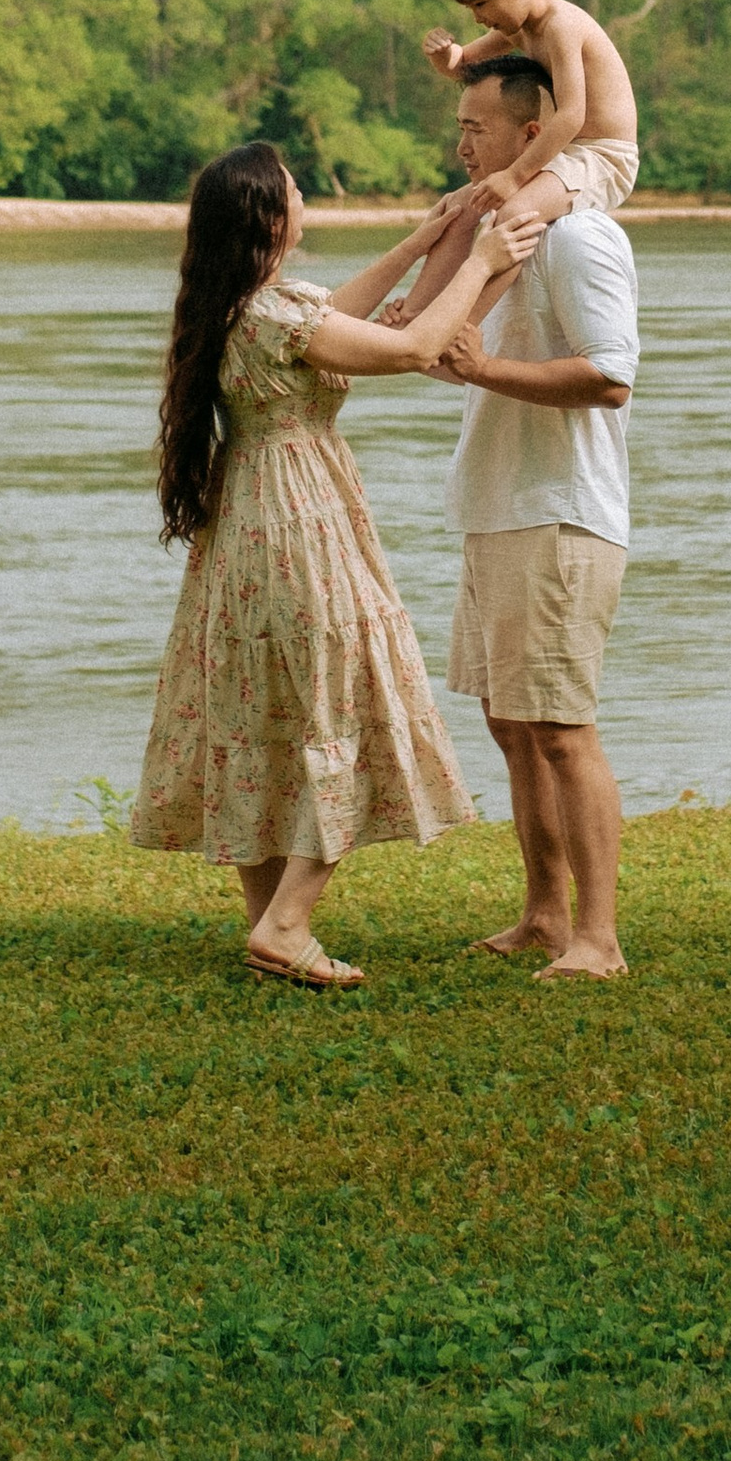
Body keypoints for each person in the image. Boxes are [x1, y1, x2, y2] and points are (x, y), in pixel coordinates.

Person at [130, 141, 535, 992]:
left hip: (247, 522)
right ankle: (287, 922)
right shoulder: (276, 315)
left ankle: (269, 925)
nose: (304, 195)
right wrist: (483, 259)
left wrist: (422, 241)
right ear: (271, 216)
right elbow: (413, 347)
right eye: (294, 188)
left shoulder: (240, 305)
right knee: (347, 695)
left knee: (263, 706)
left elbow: (337, 316)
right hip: (300, 522)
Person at [431, 56, 640, 983]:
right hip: (496, 508)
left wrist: (482, 370)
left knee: (560, 728)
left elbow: (609, 376)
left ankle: (600, 939)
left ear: (533, 137)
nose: (461, 145)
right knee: (511, 724)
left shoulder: (580, 237)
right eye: (459, 128)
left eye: (476, 129)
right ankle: (546, 914)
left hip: (559, 514)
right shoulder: (507, 236)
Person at [391, 0, 640, 330]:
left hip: (602, 157)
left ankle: (459, 330)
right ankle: (413, 316)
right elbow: (463, 65)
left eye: (482, 3)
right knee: (458, 209)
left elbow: (572, 115)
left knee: (515, 211)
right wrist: (442, 56)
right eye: (470, 9)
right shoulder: (521, 28)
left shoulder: (561, 25)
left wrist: (514, 176)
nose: (478, 18)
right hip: (562, 154)